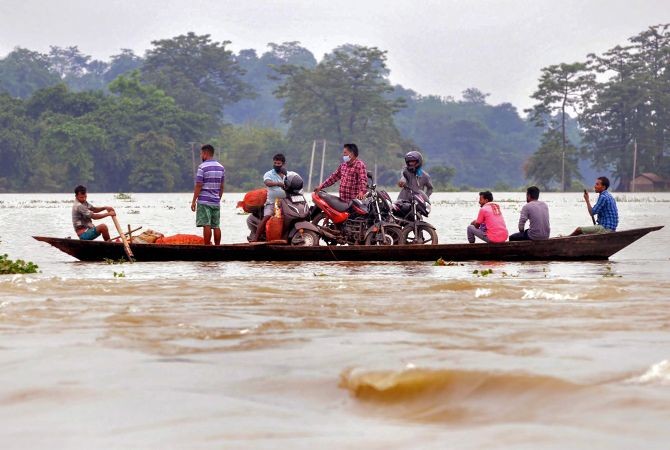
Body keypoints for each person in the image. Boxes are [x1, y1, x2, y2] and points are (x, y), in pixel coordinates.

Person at [191, 144, 225, 245]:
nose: (201, 156)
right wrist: (218, 198)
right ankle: (217, 247)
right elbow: (222, 186)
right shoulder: (221, 167)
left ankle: (207, 248)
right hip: (215, 201)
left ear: (205, 154)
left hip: (204, 201)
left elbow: (198, 185)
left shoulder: (202, 167)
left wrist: (193, 201)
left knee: (207, 225)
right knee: (216, 225)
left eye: (201, 154)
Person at [253, 153, 288, 242]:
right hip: (272, 202)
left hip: (285, 202)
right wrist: (278, 184)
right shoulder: (269, 174)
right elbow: (267, 183)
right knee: (267, 217)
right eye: (275, 163)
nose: (276, 165)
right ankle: (256, 238)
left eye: (278, 163)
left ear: (283, 164)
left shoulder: (287, 174)